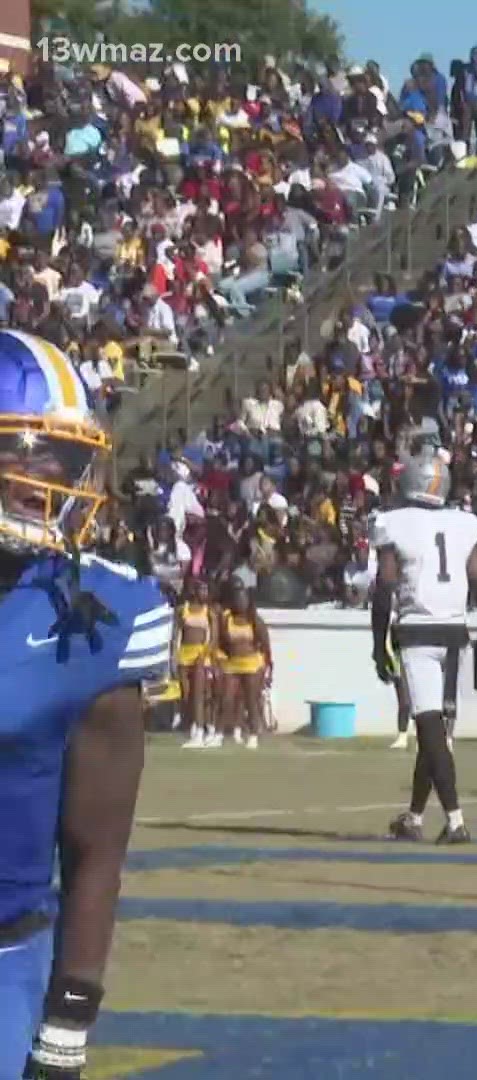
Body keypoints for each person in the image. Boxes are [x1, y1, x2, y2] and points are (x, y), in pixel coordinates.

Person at [0, 330, 170, 1080]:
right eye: (20, 452)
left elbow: (97, 850)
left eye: (59, 459)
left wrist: (67, 1024)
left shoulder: (96, 613)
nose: (42, 479)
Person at [372, 455, 477, 843]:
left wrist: (378, 642)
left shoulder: (391, 522)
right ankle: (414, 818)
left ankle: (455, 820)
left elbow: (384, 587)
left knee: (430, 729)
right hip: (455, 632)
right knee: (436, 733)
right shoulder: (465, 522)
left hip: (417, 631)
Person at [215, 584, 273, 750]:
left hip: (252, 664)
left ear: (249, 601)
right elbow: (221, 641)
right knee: (226, 698)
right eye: (237, 599)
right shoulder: (226, 618)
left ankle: (253, 735)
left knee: (251, 701)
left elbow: (265, 645)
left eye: (243, 599)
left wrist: (266, 669)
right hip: (232, 664)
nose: (240, 602)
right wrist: (221, 659)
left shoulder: (255, 620)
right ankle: (218, 735)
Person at [172, 577, 219, 749]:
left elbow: (213, 638)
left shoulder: (209, 612)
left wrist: (205, 654)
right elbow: (175, 635)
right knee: (187, 694)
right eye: (202, 589)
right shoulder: (181, 610)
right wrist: (174, 656)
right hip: (184, 653)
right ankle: (195, 725)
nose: (205, 593)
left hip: (201, 654)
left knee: (201, 693)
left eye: (207, 590)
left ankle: (204, 730)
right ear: (194, 591)